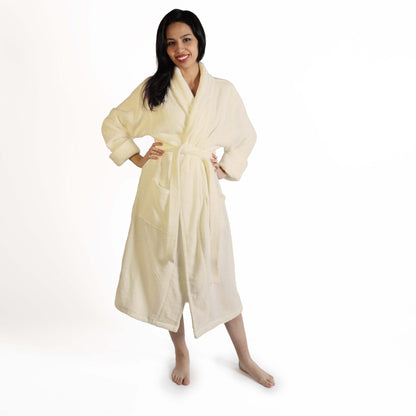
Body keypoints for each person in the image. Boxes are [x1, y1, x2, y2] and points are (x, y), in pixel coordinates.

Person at [101, 8, 275, 388]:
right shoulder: (154, 88)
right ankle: (181, 352)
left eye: (186, 40)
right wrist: (136, 157)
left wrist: (224, 167)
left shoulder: (223, 91)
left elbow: (246, 135)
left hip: (201, 192)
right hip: (162, 189)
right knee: (168, 272)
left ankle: (245, 358)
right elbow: (114, 122)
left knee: (218, 273)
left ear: (199, 41)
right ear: (163, 49)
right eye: (171, 43)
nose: (179, 49)